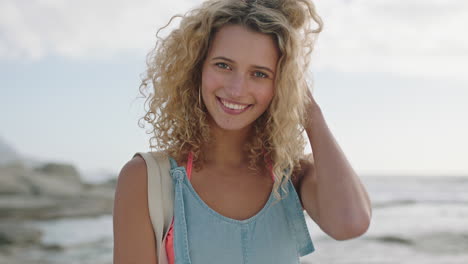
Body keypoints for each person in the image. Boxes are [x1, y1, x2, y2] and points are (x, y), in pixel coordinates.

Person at [113, 0, 372, 263]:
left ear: (280, 85)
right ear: (196, 68)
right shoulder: (146, 179)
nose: (237, 89)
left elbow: (350, 224)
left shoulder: (291, 176)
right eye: (223, 65)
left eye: (259, 74)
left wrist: (311, 116)